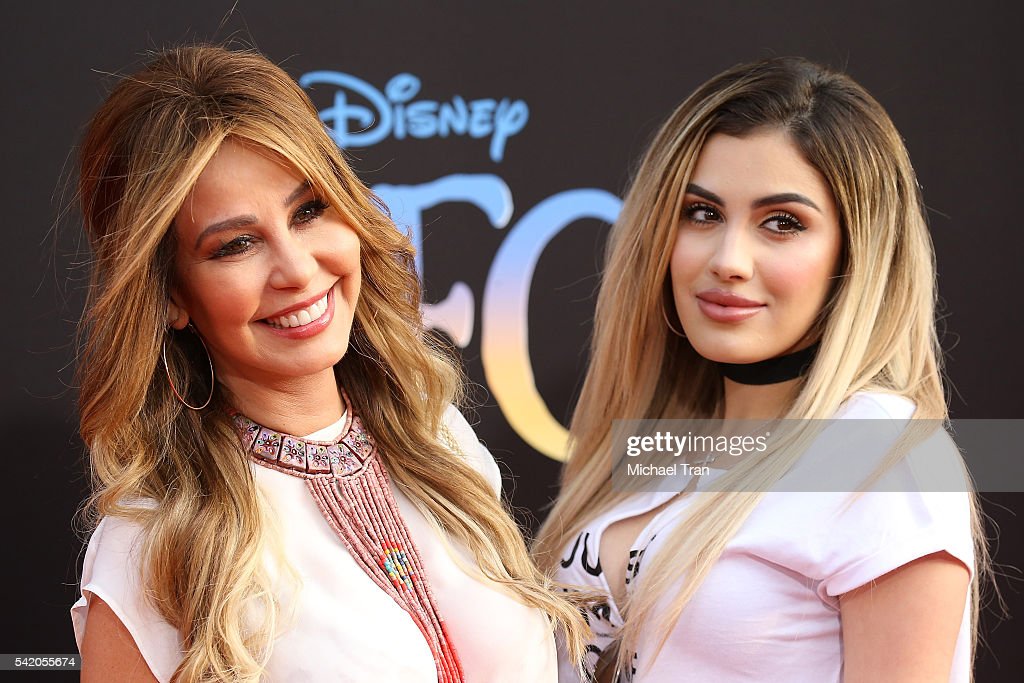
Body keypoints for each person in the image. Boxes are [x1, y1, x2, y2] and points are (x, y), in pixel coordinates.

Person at [70, 44, 587, 682]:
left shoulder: (439, 438)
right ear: (172, 295)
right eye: (237, 244)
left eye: (309, 211)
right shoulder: (155, 544)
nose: (297, 268)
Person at [533, 56, 985, 682]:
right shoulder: (660, 442)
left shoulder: (886, 454)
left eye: (782, 223)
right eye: (702, 213)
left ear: (854, 254)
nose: (729, 260)